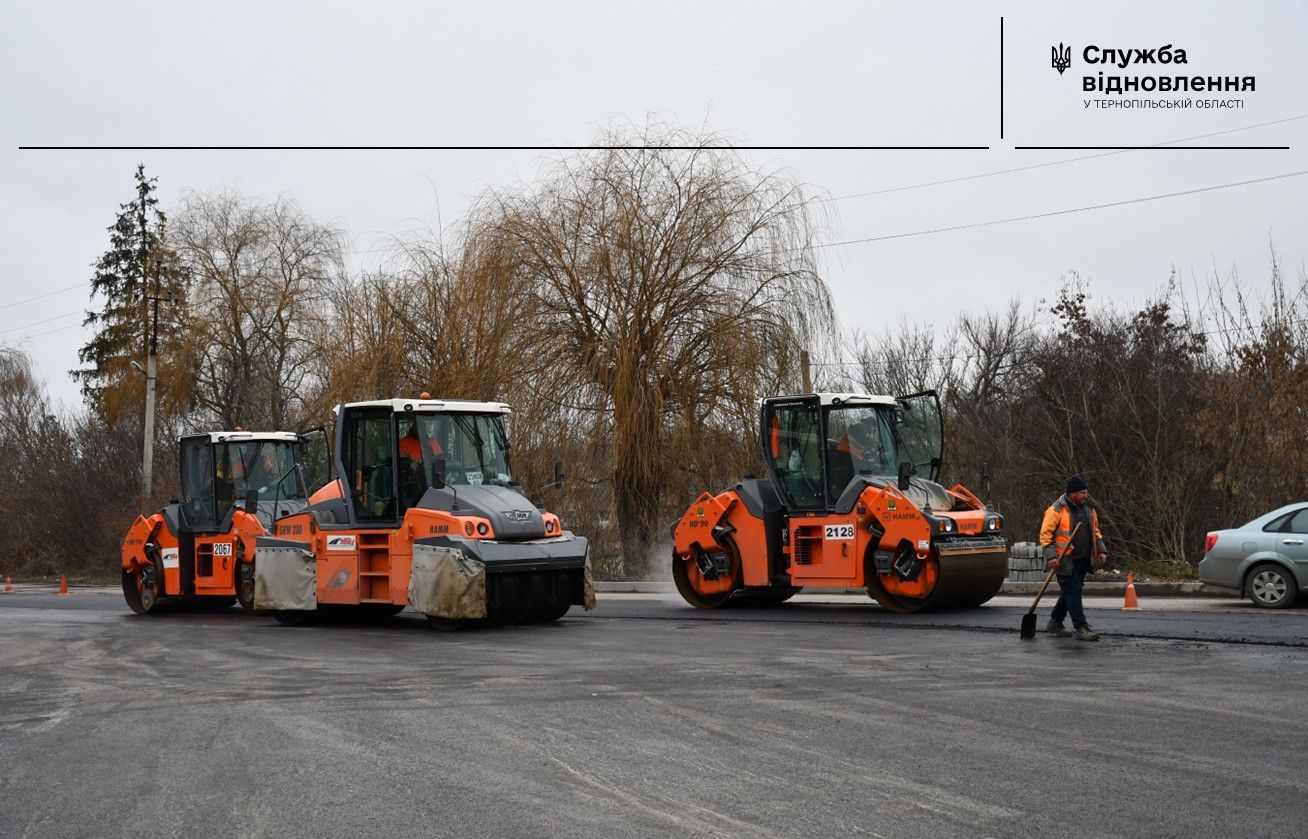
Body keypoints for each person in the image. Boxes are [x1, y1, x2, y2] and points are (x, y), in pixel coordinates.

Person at [1040, 475, 1108, 641]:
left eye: (1086, 492)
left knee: (1069, 592)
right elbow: (1045, 535)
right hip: (1064, 560)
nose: (1085, 495)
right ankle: (1081, 627)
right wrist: (1051, 557)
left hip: (1083, 559)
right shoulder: (1056, 509)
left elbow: (1096, 532)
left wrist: (1101, 550)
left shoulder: (1089, 509)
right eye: (1082, 493)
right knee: (1073, 591)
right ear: (1071, 493)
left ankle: (1055, 622)